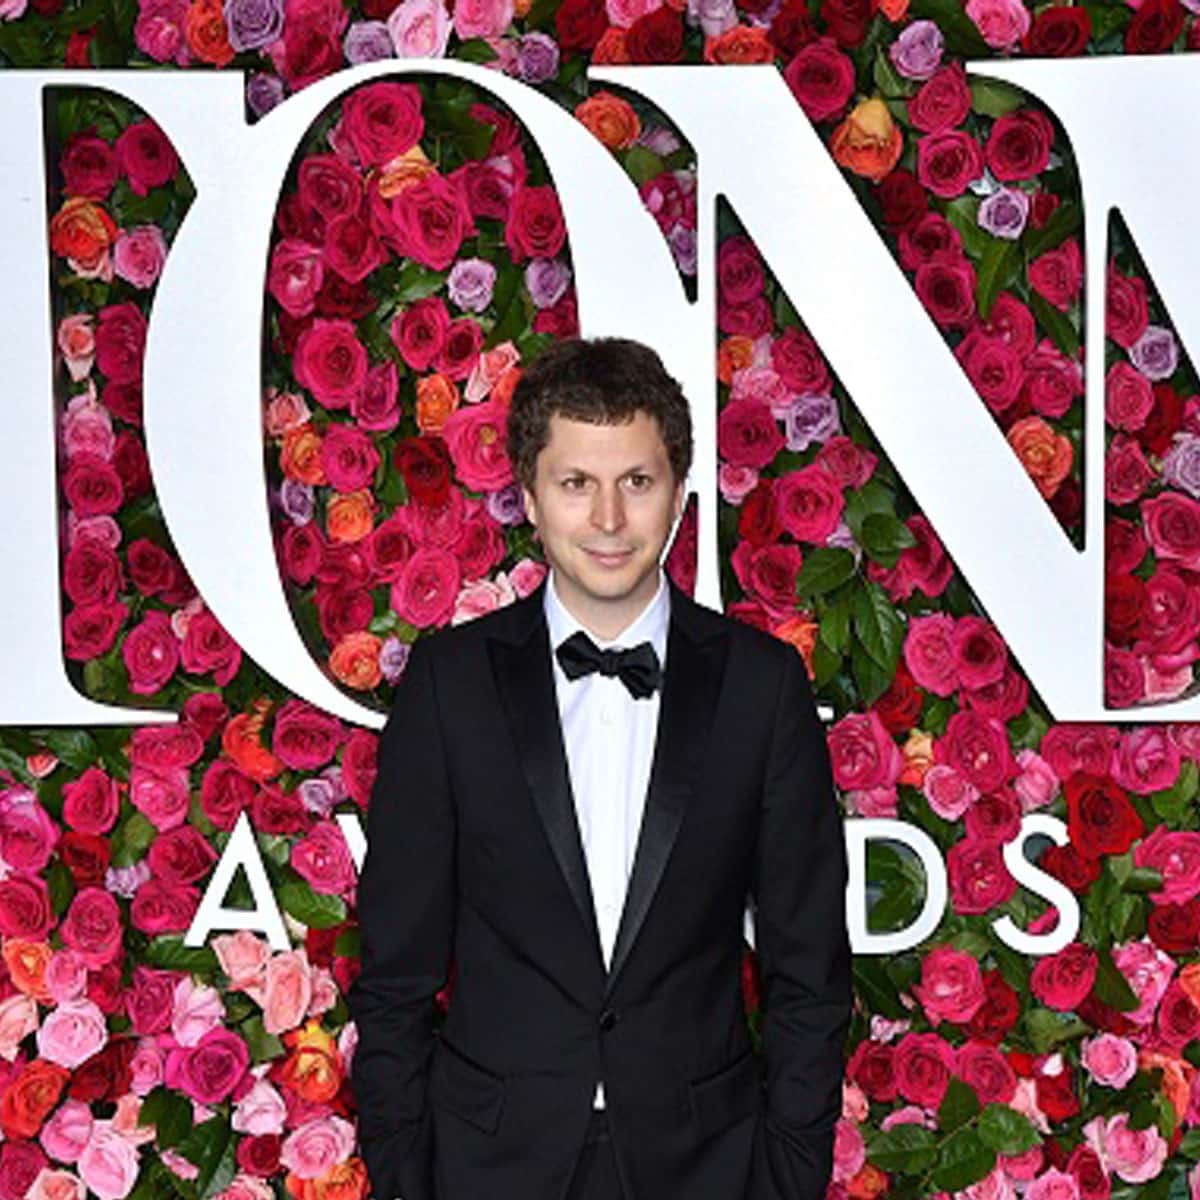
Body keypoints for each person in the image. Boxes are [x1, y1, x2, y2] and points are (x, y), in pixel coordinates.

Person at [348, 336, 852, 1200]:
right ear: (530, 501)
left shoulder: (760, 687)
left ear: (679, 497)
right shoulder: (450, 687)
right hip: (487, 1170)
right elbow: (395, 976)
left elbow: (810, 970)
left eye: (638, 482)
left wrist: (786, 1176)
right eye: (577, 484)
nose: (610, 520)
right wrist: (407, 1178)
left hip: (708, 1168)